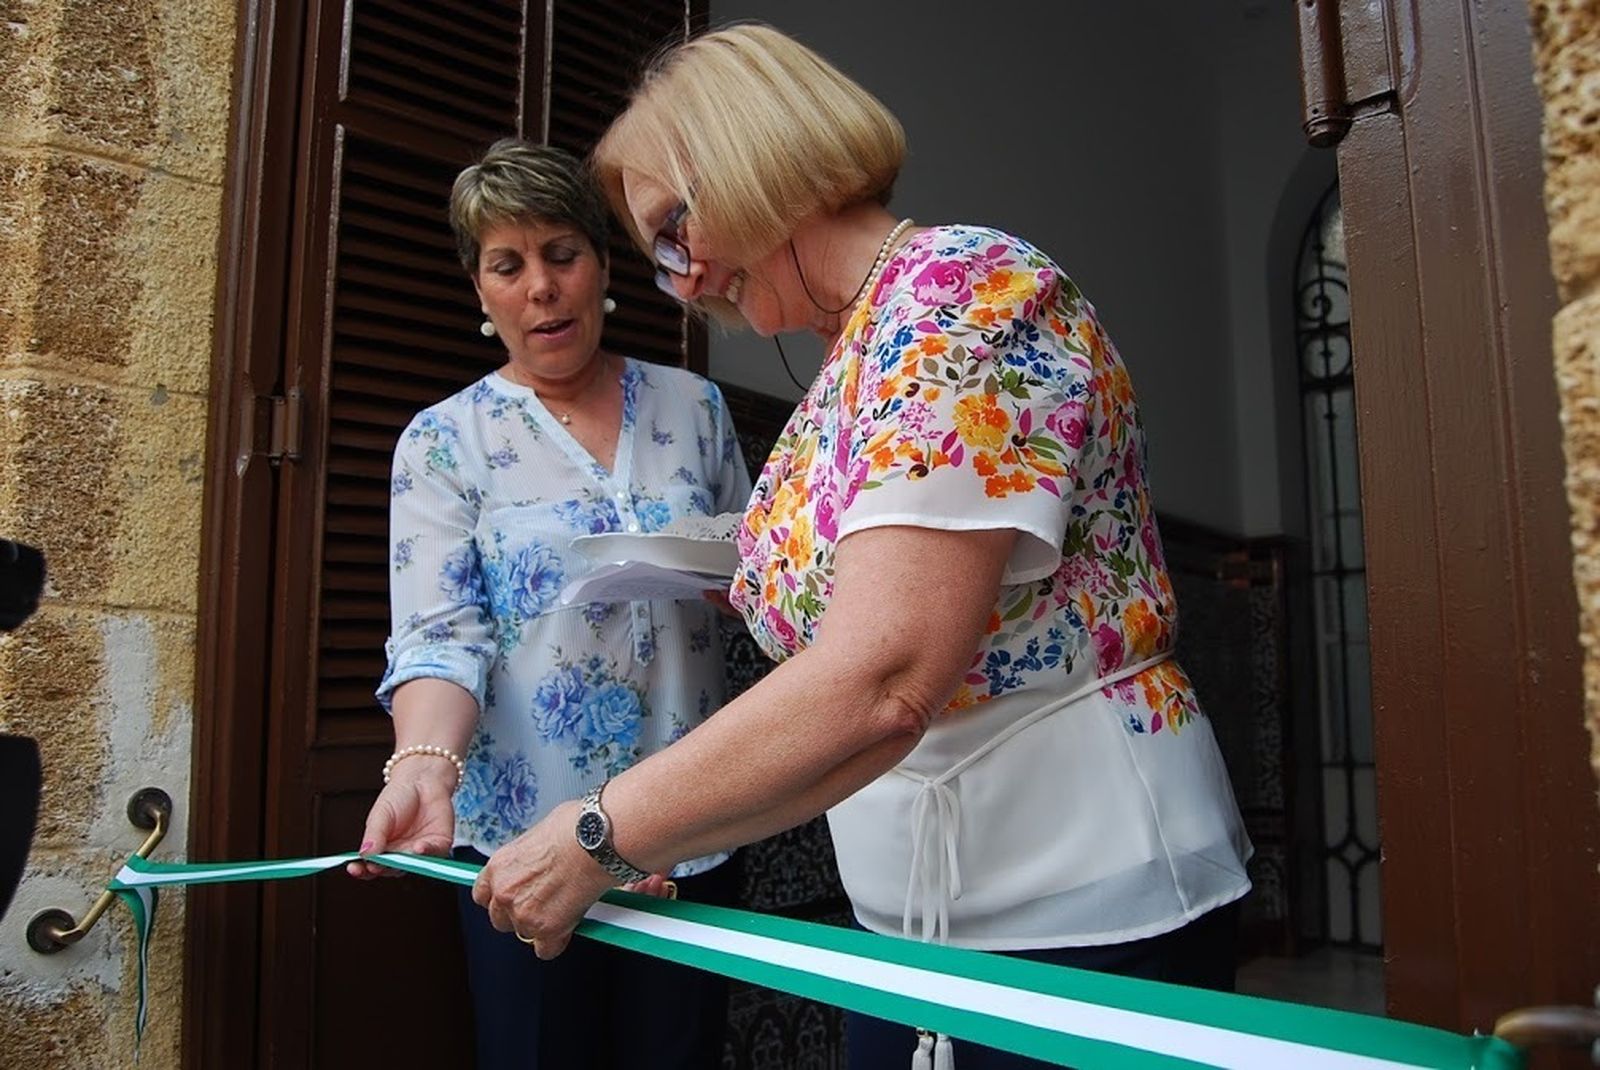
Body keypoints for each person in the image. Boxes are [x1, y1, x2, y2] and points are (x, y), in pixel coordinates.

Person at [469, 26, 1254, 1070]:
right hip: (911, 920)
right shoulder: (851, 359)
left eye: (672, 233)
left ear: (747, 160)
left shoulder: (962, 292)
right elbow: (861, 713)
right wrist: (639, 841)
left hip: (1081, 900)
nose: (683, 281)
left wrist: (602, 827)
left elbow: (882, 678)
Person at [348, 139, 751, 1070]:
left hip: (687, 827)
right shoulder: (444, 442)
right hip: (522, 838)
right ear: (480, 289)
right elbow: (440, 636)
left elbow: (752, 575)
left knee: (679, 1056)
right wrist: (422, 764)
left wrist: (732, 577)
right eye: (508, 264)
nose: (542, 286)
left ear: (605, 266)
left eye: (563, 253)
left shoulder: (693, 408)